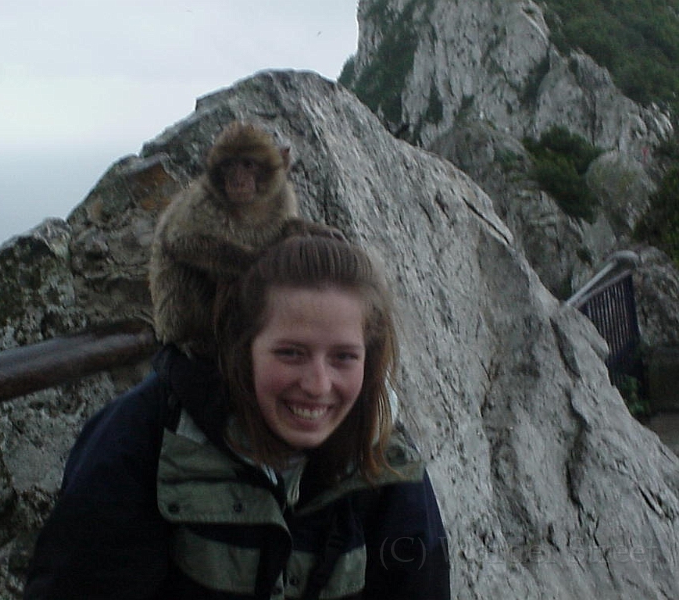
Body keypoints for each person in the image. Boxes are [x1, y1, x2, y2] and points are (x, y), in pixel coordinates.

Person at [24, 235, 450, 599]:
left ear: (368, 358)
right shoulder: (149, 435)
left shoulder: (385, 463)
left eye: (343, 357)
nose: (318, 385)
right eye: (291, 353)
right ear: (241, 348)